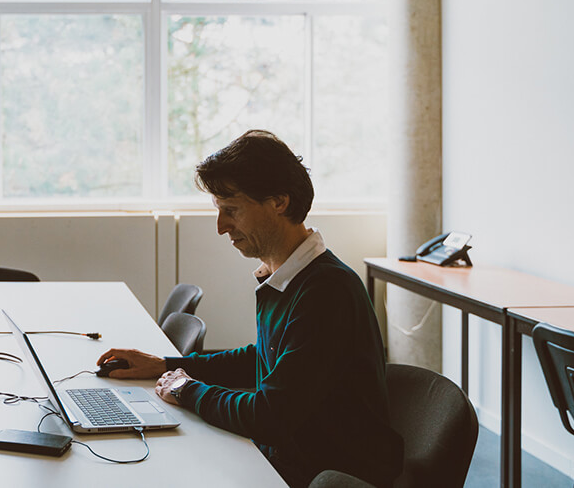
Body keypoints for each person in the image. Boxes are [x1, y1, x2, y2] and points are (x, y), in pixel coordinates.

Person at [97, 130, 403, 487]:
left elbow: (270, 417)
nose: (221, 227)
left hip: (322, 474)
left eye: (231, 211)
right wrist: (166, 365)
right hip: (290, 458)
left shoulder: (326, 291)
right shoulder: (288, 276)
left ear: (278, 202)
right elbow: (263, 359)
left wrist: (186, 390)